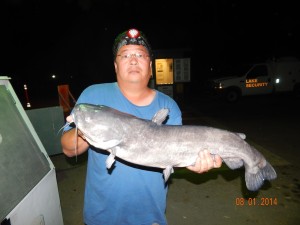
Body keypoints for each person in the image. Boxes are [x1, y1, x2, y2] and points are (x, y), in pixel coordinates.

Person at [61, 28, 222, 225]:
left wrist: (196, 163)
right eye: (125, 55)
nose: (134, 60)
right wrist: (88, 127)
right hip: (101, 217)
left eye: (140, 55)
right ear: (115, 65)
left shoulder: (168, 106)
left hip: (150, 217)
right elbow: (69, 150)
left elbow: (175, 155)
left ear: (151, 66)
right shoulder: (93, 97)